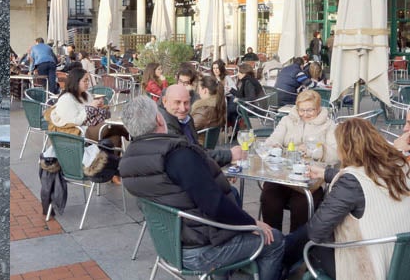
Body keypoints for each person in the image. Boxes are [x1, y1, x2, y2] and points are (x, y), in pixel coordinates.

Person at [119, 96, 285, 280]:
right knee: (275, 240)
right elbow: (214, 204)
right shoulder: (176, 155)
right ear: (159, 119)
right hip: (201, 249)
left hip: (169, 244)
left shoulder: (128, 162)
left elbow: (176, 194)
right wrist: (251, 224)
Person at [284, 119, 410, 279]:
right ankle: (281, 250)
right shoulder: (401, 166)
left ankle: (278, 257)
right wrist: (326, 174)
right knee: (304, 235)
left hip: (369, 267)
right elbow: (370, 178)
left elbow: (316, 232)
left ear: (345, 148)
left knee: (310, 237)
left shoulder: (350, 181)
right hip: (401, 262)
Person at [261, 89, 337, 233]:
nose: (305, 114)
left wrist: (312, 150)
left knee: (301, 205)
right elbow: (272, 140)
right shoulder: (287, 120)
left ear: (319, 108)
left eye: (310, 110)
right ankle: (272, 241)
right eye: (301, 110)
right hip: (283, 176)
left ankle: (294, 248)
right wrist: (274, 145)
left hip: (310, 179)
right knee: (269, 196)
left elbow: (336, 155)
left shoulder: (328, 125)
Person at [160, 84, 243, 167]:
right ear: (164, 101)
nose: (183, 108)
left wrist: (227, 161)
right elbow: (190, 157)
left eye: (186, 103)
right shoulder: (163, 127)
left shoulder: (187, 118)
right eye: (177, 102)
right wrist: (229, 155)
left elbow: (197, 150)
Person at [47, 67, 127, 149]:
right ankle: (134, 136)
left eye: (88, 80)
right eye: (85, 80)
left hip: (91, 126)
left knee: (115, 138)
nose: (87, 83)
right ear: (76, 81)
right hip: (78, 132)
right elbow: (74, 121)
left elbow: (92, 112)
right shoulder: (66, 99)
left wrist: (99, 106)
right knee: (113, 126)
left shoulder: (86, 94)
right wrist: (90, 108)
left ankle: (114, 161)